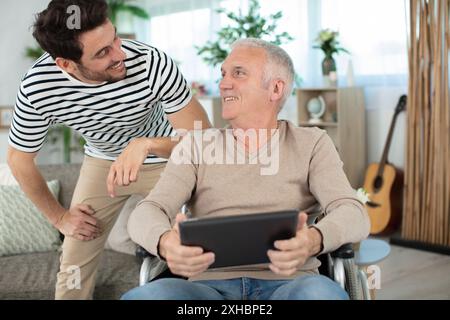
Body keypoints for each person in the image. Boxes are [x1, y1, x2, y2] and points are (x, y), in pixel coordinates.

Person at [121, 38, 370, 300]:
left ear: (275, 89)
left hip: (292, 285)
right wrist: (164, 242)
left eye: (238, 73)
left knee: (321, 296)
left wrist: (313, 239)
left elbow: (353, 212)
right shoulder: (196, 145)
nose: (224, 83)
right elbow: (146, 211)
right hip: (207, 289)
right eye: (223, 74)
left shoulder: (312, 143)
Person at [6, 0, 211, 300]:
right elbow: (19, 160)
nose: (120, 54)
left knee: (205, 236)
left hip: (171, 156)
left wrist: (147, 143)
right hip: (103, 162)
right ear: (65, 63)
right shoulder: (38, 87)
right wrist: (59, 218)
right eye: (103, 53)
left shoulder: (152, 62)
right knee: (74, 258)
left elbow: (202, 140)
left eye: (114, 38)